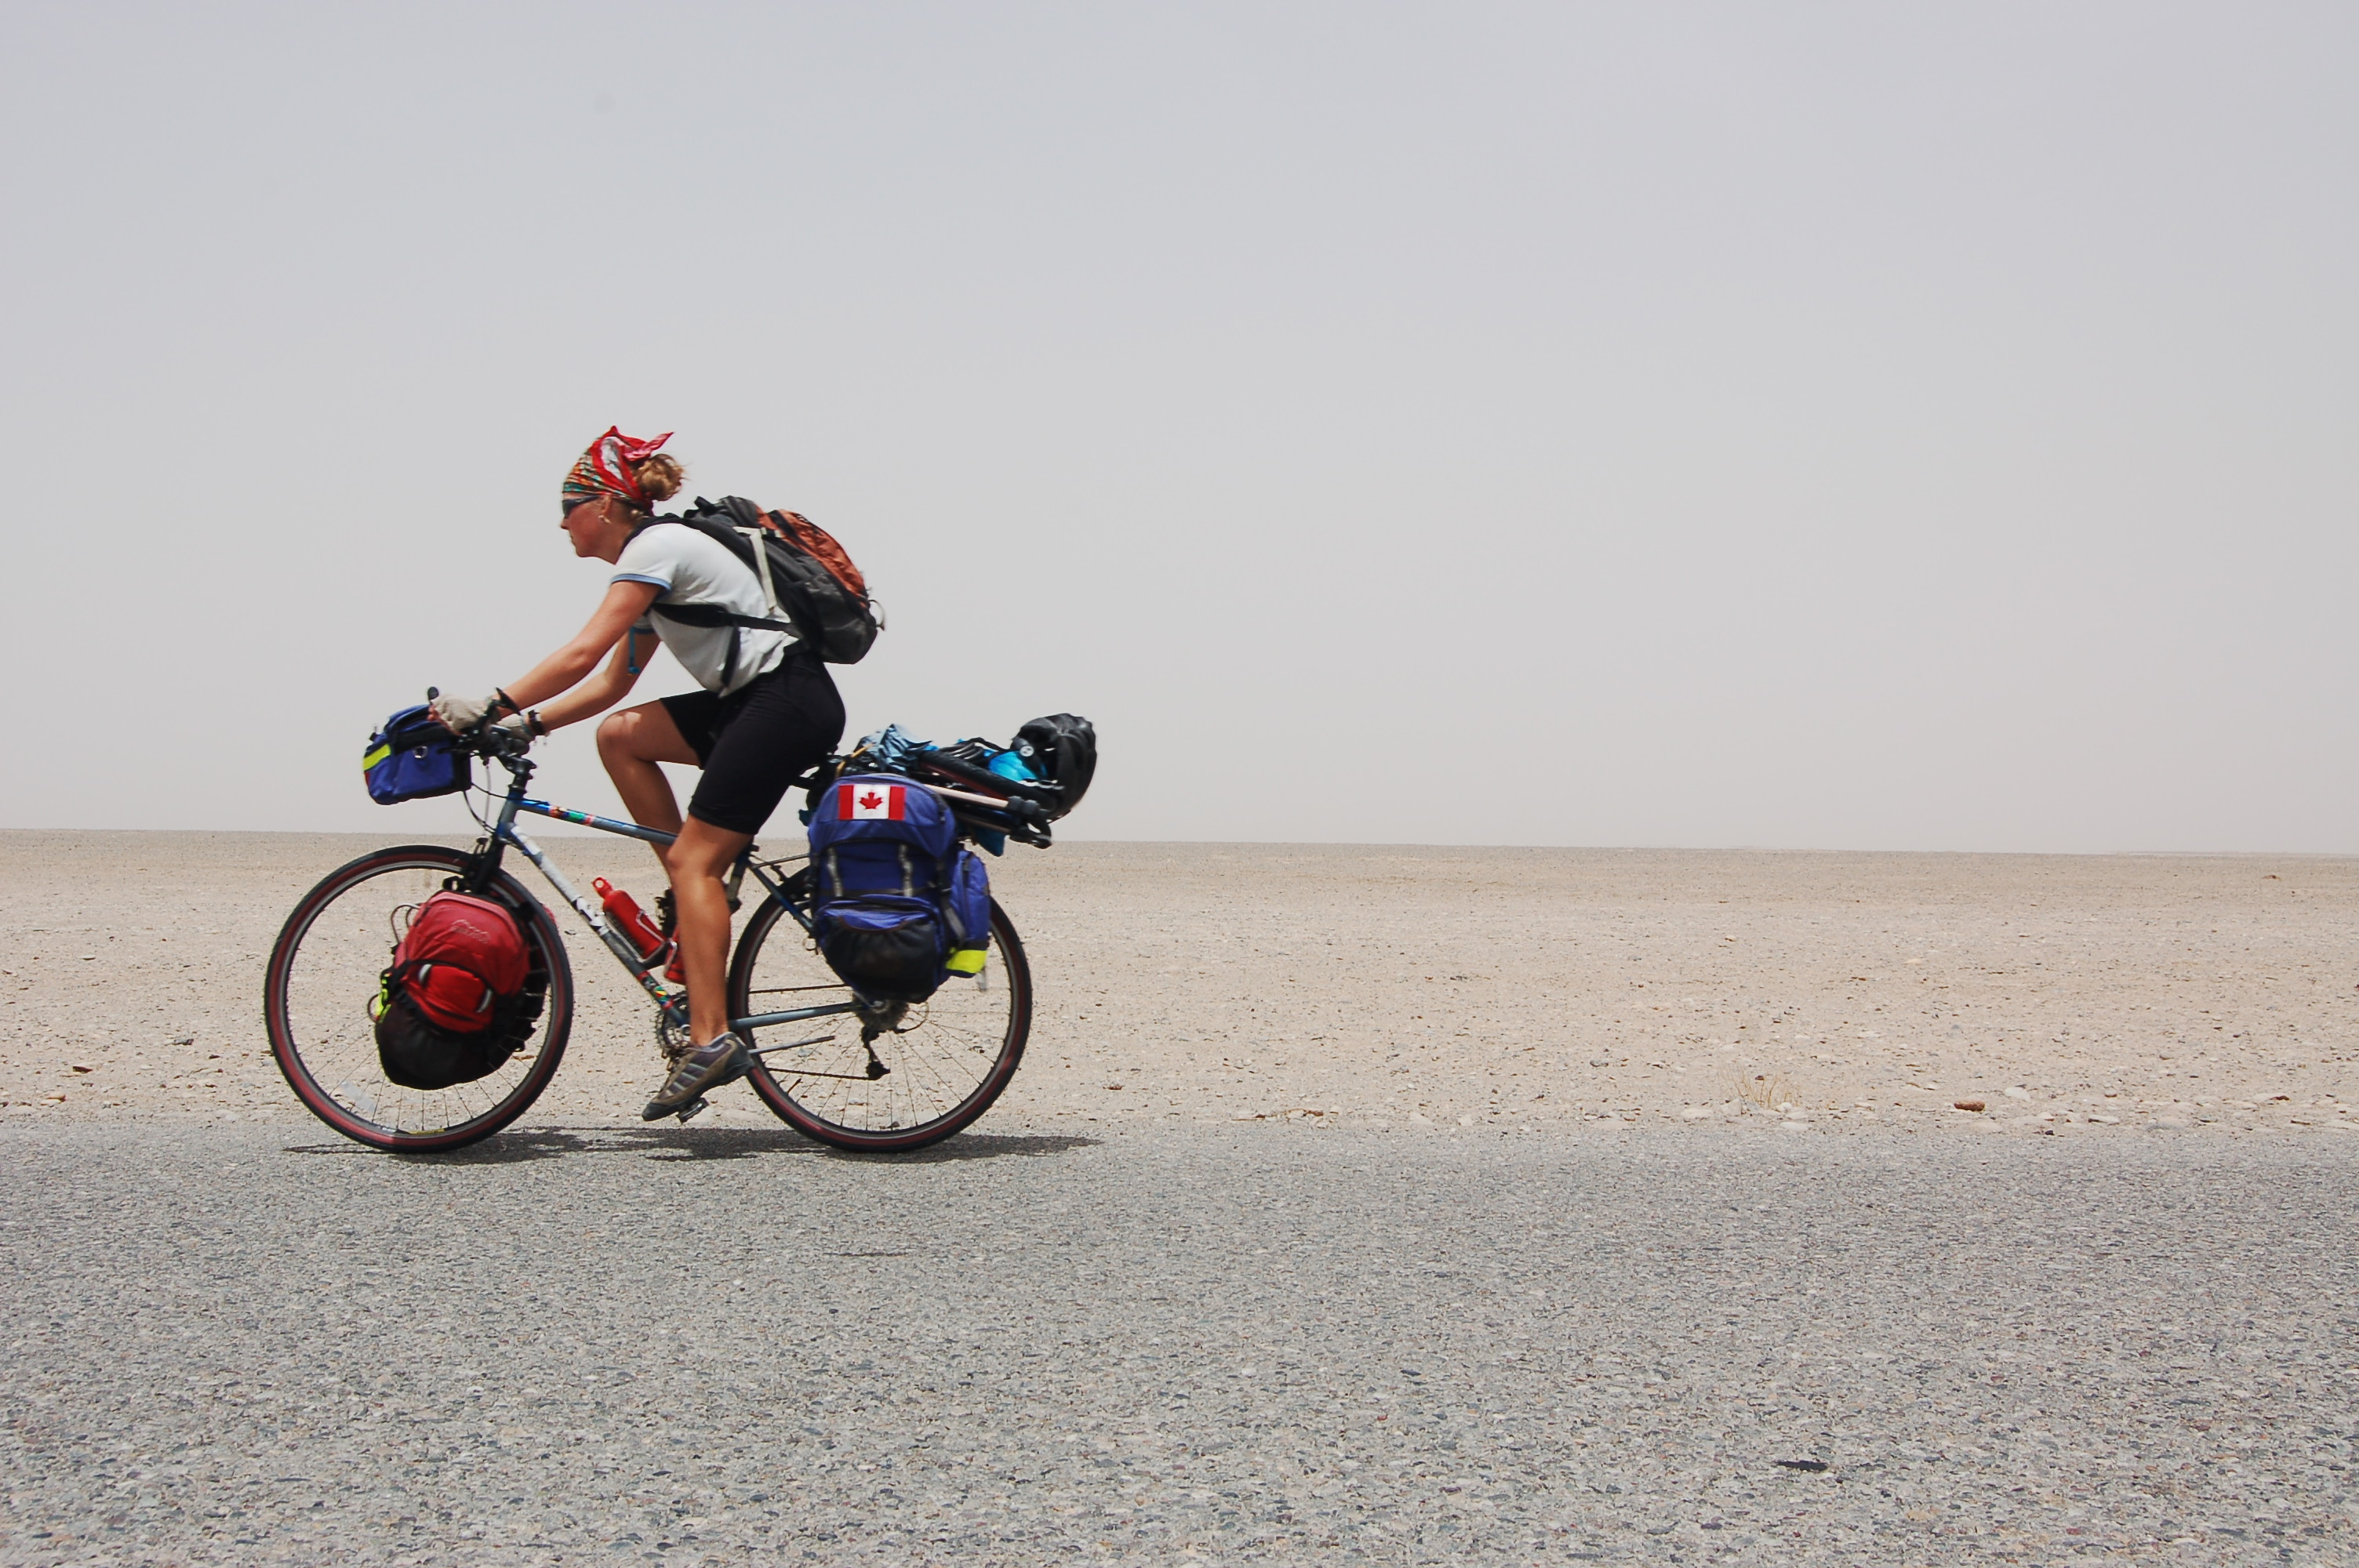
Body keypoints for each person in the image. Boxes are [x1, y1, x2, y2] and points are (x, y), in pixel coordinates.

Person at [431, 428, 846, 1119]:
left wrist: (492, 703)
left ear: (604, 505)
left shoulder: (654, 549)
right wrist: (526, 726)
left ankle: (711, 1038)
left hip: (785, 701)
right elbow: (608, 687)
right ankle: (691, 899)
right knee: (621, 738)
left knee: (697, 864)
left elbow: (581, 651)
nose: (561, 522)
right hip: (757, 700)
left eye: (569, 505)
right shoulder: (658, 566)